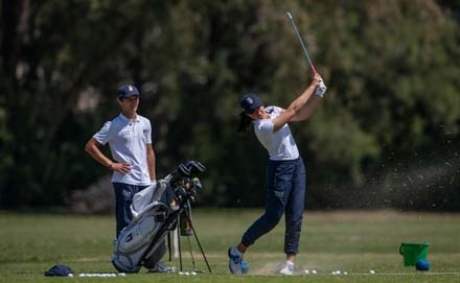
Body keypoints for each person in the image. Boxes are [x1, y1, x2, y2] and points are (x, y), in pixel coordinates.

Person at [228, 73, 325, 276]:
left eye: (260, 106)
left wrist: (318, 95)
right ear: (249, 115)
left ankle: (290, 263)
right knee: (272, 217)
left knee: (295, 215)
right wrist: (312, 86)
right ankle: (237, 252)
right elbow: (292, 111)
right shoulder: (262, 127)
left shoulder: (272, 110)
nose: (260, 111)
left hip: (297, 165)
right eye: (254, 111)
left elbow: (302, 115)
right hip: (280, 171)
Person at [84, 84, 172, 273]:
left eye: (136, 98)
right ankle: (125, 262)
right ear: (120, 101)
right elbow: (91, 146)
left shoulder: (145, 123)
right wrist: (111, 164)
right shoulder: (113, 125)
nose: (134, 102)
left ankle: (153, 263)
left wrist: (153, 181)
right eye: (129, 99)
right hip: (124, 182)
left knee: (152, 225)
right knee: (125, 224)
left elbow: (149, 152)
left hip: (145, 183)